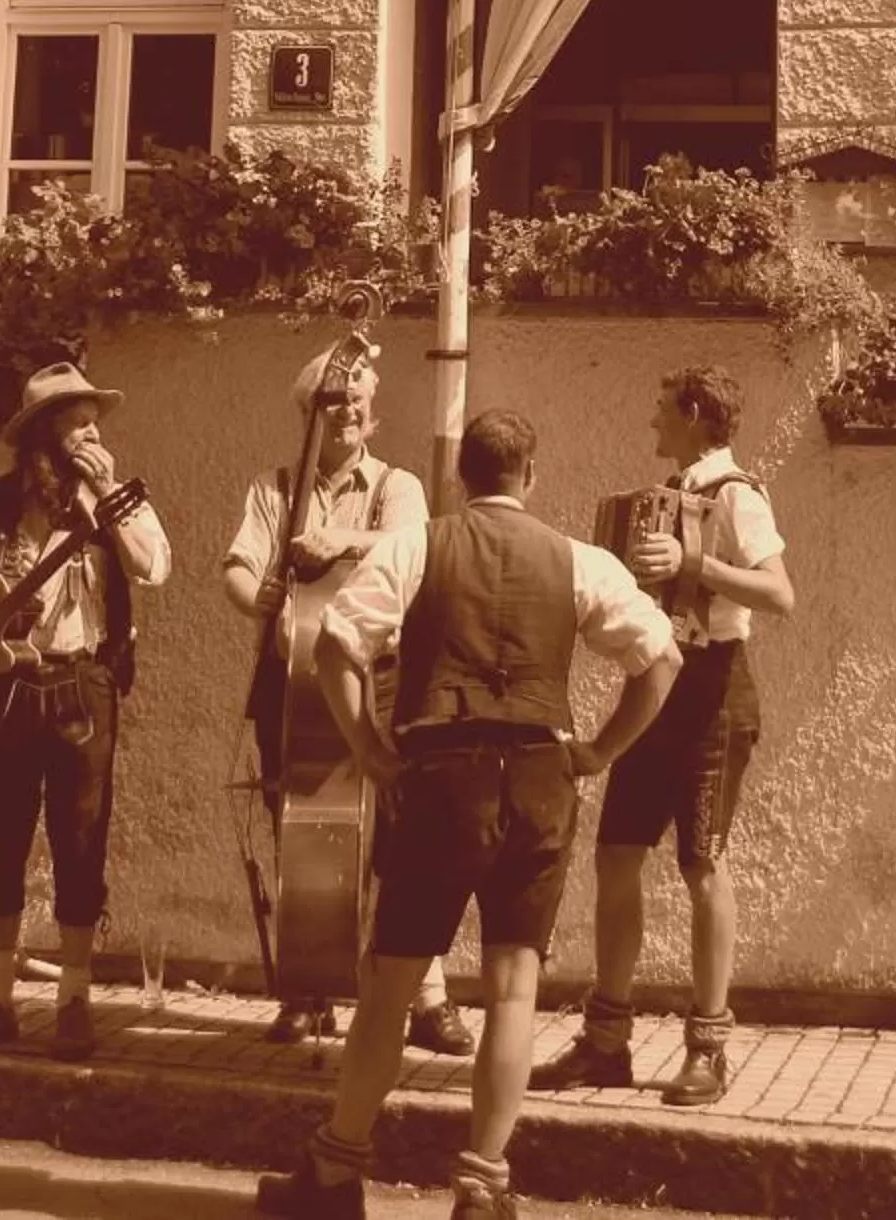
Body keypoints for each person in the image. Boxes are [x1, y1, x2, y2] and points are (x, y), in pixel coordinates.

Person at [255, 405, 680, 1220]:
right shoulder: (575, 558)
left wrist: (374, 752)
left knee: (391, 984)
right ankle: (483, 1186)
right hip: (540, 777)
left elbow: (338, 646)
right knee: (514, 987)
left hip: (439, 777)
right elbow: (659, 658)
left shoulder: (418, 545)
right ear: (531, 476)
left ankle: (336, 1174)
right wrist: (598, 752)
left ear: (463, 478)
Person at [533, 362, 792, 1109]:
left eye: (661, 410)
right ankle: (606, 1042)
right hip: (661, 682)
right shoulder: (668, 494)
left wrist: (695, 563)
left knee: (702, 866)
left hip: (715, 692)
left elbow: (781, 593)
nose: (652, 423)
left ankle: (708, 1048)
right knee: (616, 858)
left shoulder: (738, 494)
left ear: (693, 411)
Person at [0, 357, 171, 1057]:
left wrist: (108, 495)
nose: (90, 432)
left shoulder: (112, 503)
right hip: (4, 694)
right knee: (3, 843)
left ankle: (75, 1003)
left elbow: (156, 567)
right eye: (76, 422)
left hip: (84, 686)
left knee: (82, 846)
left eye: (94, 421)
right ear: (41, 434)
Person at [223, 342, 472, 1054]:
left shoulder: (395, 487)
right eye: (336, 404)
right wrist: (262, 599)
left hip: (385, 680)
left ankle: (427, 998)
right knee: (302, 836)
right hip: (294, 681)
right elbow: (238, 569)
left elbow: (413, 545)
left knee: (403, 844)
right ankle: (309, 990)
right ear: (310, 416)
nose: (350, 414)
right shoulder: (274, 488)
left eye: (360, 403)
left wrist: (333, 539)